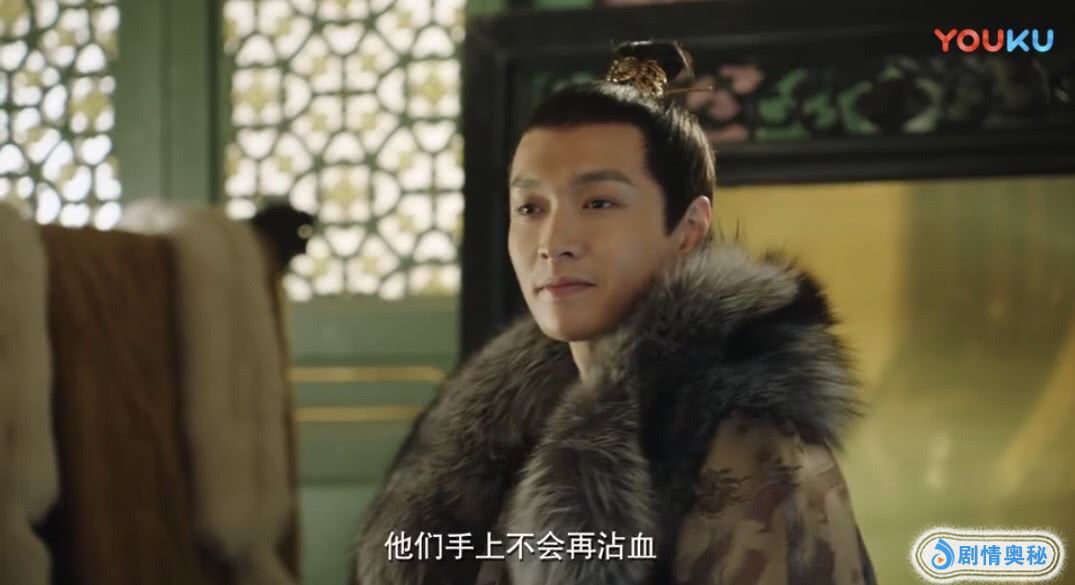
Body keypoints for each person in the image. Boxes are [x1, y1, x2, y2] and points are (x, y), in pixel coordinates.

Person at [352, 40, 877, 585]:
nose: (553, 242)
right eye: (530, 207)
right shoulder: (507, 435)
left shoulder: (751, 454)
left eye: (598, 202)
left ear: (689, 230)